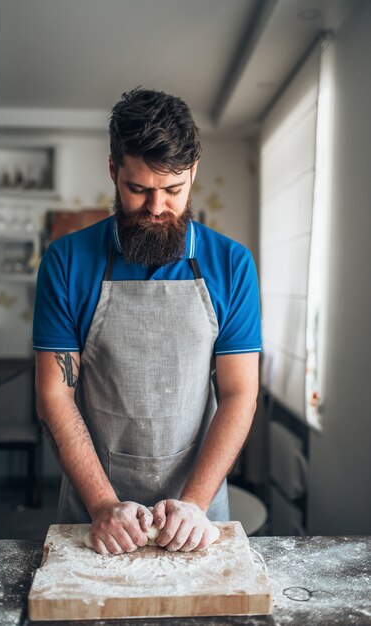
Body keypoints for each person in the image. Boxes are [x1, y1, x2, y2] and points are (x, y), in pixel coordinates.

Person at [33, 87, 262, 556]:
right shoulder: (67, 262)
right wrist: (102, 505)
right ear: (114, 170)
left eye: (173, 190)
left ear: (193, 173)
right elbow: (55, 393)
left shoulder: (232, 265)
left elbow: (240, 393)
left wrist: (194, 505)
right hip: (96, 517)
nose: (156, 208)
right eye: (138, 189)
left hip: (196, 514)